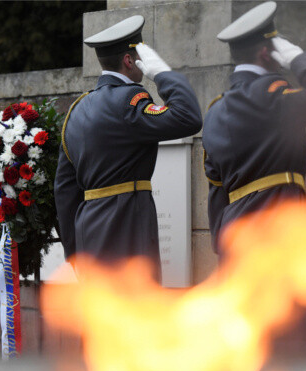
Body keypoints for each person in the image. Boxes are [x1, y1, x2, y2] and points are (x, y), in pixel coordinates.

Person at [202, 2, 306, 354]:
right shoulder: (271, 97)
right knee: (303, 337)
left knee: (251, 343)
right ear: (267, 52)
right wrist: (295, 54)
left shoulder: (215, 111)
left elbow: (216, 191)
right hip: (281, 220)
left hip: (236, 232)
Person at [54, 15, 202, 282]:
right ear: (129, 61)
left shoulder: (75, 111)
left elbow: (64, 191)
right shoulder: (129, 100)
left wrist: (74, 254)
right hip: (128, 226)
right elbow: (188, 117)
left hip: (88, 233)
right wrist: (163, 74)